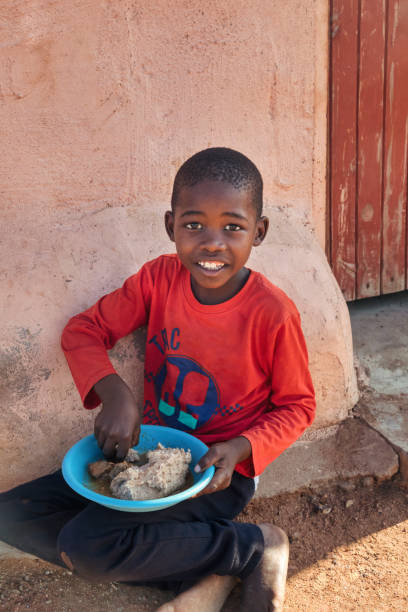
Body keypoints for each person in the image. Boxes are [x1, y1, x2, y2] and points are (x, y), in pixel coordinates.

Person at [0, 148, 316, 611]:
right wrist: (115, 395)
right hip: (145, 455)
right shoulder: (157, 280)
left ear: (259, 231)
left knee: (89, 546)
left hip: (214, 472)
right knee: (10, 515)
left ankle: (250, 549)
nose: (212, 243)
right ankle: (203, 574)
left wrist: (241, 448)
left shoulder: (272, 314)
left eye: (233, 227)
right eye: (193, 225)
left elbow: (298, 406)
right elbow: (84, 331)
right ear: (171, 226)